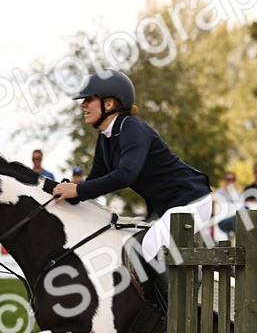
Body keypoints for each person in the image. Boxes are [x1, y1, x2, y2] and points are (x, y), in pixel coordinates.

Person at [51, 69, 211, 268]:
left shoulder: (132, 128)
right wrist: (69, 194)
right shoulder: (105, 137)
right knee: (131, 247)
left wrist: (78, 190)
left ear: (109, 104)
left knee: (147, 250)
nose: (83, 105)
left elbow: (125, 175)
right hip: (167, 208)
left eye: (89, 99)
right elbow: (95, 180)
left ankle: (174, 299)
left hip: (191, 200)